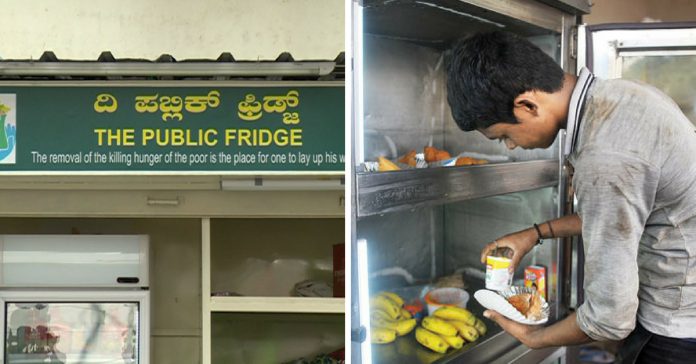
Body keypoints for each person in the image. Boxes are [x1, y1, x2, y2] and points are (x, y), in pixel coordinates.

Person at [446, 31, 696, 363]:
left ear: (527, 105)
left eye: (503, 135)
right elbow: (627, 210)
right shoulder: (622, 96)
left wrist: (535, 338)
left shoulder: (605, 154)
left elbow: (610, 320)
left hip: (675, 331)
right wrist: (533, 234)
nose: (509, 146)